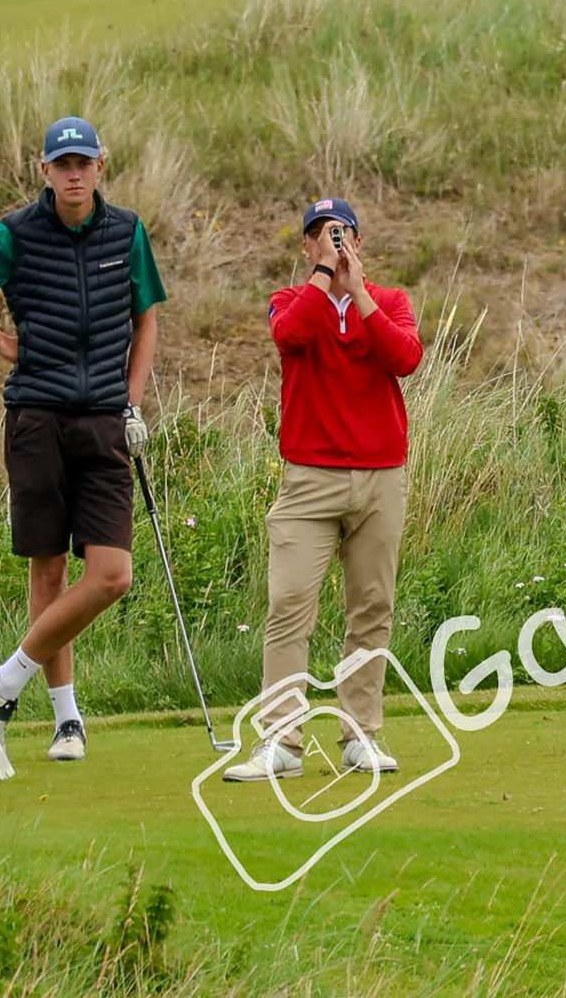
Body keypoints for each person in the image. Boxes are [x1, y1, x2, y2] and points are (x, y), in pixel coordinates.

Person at [0, 116, 165, 763]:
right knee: (48, 569)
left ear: (101, 166)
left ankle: (5, 680)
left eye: (84, 162)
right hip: (37, 419)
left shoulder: (127, 232)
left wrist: (133, 400)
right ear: (44, 171)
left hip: (106, 420)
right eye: (63, 164)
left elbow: (147, 318)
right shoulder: (17, 235)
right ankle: (67, 720)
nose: (74, 174)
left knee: (111, 575)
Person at [223, 198, 424, 783]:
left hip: (382, 476)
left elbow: (404, 358)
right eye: (320, 236)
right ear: (306, 247)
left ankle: (361, 735)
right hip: (309, 478)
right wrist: (321, 279)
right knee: (289, 607)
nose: (331, 245)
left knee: (371, 609)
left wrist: (358, 291)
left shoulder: (389, 302)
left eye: (341, 235)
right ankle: (282, 742)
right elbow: (291, 338)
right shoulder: (290, 301)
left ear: (359, 243)